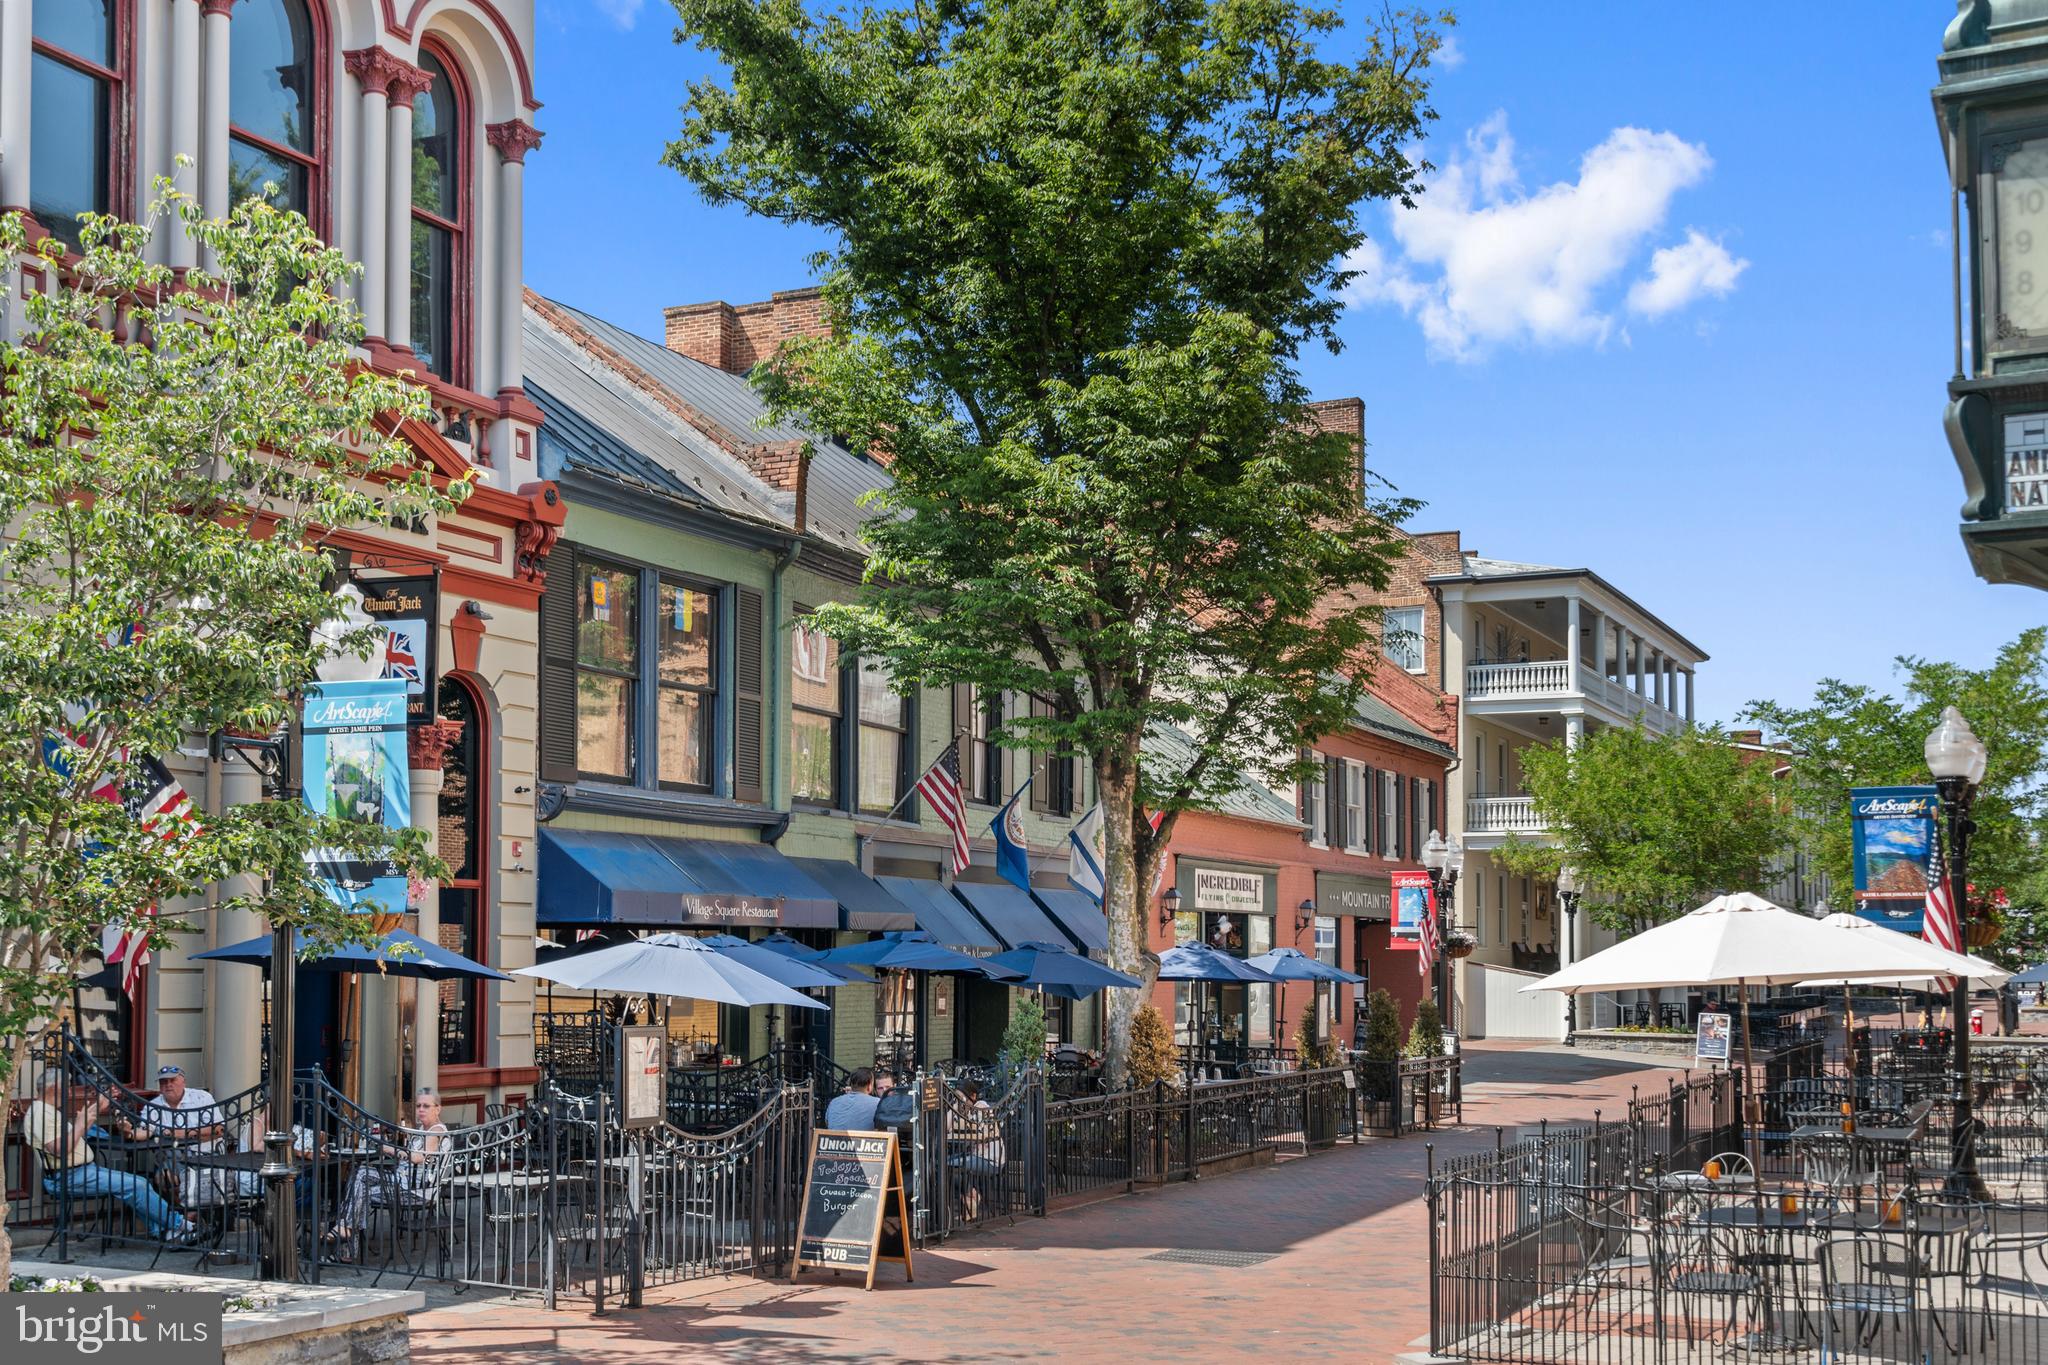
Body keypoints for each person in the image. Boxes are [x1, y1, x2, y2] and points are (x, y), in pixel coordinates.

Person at [23, 1073, 203, 1245]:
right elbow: (60, 1150)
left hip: (83, 1171)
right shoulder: (41, 1114)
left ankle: (166, 1231)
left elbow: (75, 1132)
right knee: (136, 1185)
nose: (70, 1092)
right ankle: (179, 1224)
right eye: (68, 1087)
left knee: (134, 1185)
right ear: (55, 1088)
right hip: (67, 1176)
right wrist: (79, 1124)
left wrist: (99, 1106)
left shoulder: (46, 1111)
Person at [326, 1088, 449, 1254]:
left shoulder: (436, 1131)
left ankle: (347, 1243)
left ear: (438, 1108)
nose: (420, 1109)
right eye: (418, 1105)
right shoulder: (422, 1130)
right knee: (359, 1184)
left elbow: (419, 1157)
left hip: (416, 1192)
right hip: (402, 1184)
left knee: (359, 1183)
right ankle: (346, 1240)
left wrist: (391, 1149)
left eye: (426, 1106)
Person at [947, 1077, 1004, 1222]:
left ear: (971, 1096)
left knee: (952, 1165)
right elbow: (945, 1128)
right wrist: (954, 1106)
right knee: (943, 1163)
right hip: (974, 1156)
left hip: (991, 1160)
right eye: (956, 1097)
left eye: (960, 1097)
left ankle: (970, 1198)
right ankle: (971, 1195)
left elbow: (976, 1133)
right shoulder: (962, 1111)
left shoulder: (981, 1106)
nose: (958, 1100)